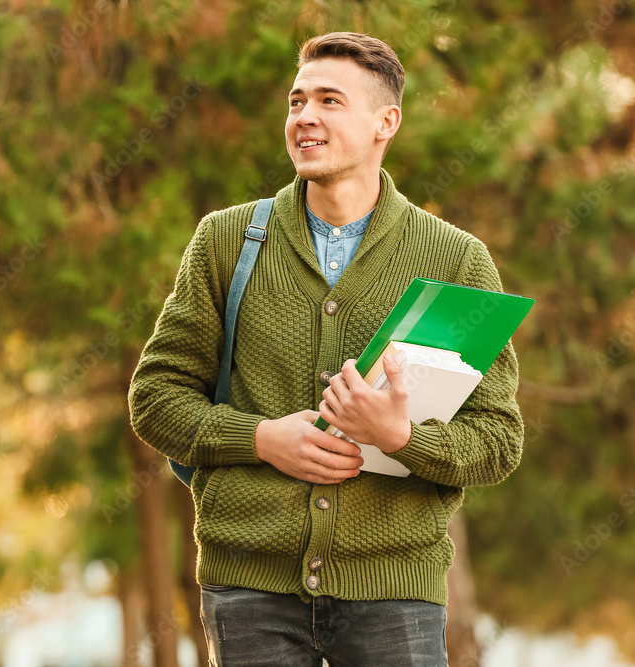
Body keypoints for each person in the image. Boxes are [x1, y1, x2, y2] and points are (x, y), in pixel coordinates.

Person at [127, 31, 524, 666]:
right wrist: (261, 439)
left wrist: (401, 437)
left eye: (330, 101)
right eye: (296, 101)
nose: (305, 117)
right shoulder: (228, 241)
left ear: (384, 122)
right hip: (247, 587)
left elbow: (498, 441)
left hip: (397, 593)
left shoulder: (454, 259)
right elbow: (155, 399)